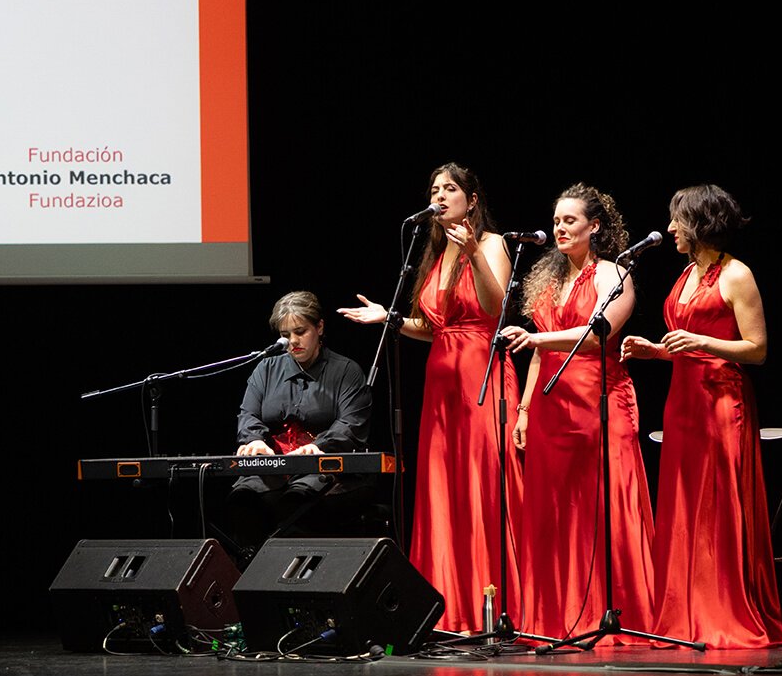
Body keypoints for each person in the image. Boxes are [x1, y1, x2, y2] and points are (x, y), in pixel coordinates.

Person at [337, 162, 524, 632]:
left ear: (472, 200)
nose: (439, 196)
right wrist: (390, 318)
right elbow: (434, 326)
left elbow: (495, 308)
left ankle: (489, 605)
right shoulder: (435, 255)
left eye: (450, 189)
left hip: (481, 375)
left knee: (480, 484)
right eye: (434, 190)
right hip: (441, 384)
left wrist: (474, 255)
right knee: (445, 490)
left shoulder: (491, 244)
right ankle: (446, 606)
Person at [620, 184, 782, 649]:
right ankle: (685, 615)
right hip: (684, 401)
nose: (670, 228)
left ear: (699, 223)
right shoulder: (687, 273)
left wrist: (702, 342)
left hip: (720, 402)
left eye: (677, 219)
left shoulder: (736, 274)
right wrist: (656, 351)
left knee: (717, 508)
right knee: (685, 508)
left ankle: (722, 613)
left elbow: (757, 349)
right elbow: (686, 345)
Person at [499, 183, 656, 643]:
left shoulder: (614, 274)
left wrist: (539, 339)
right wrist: (524, 409)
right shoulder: (549, 279)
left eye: (570, 220)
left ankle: (615, 613)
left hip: (599, 403)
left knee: (605, 508)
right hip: (551, 408)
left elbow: (597, 336)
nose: (560, 228)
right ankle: (557, 618)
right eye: (556, 221)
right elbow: (539, 354)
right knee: (556, 514)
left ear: (595, 226)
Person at [226, 290, 372, 563]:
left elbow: (351, 423)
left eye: (300, 332)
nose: (293, 341)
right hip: (274, 466)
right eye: (285, 335)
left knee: (298, 499)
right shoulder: (266, 369)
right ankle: (253, 572)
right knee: (244, 497)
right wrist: (254, 440)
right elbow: (248, 414)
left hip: (324, 468)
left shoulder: (346, 371)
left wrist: (319, 446)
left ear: (320, 327)